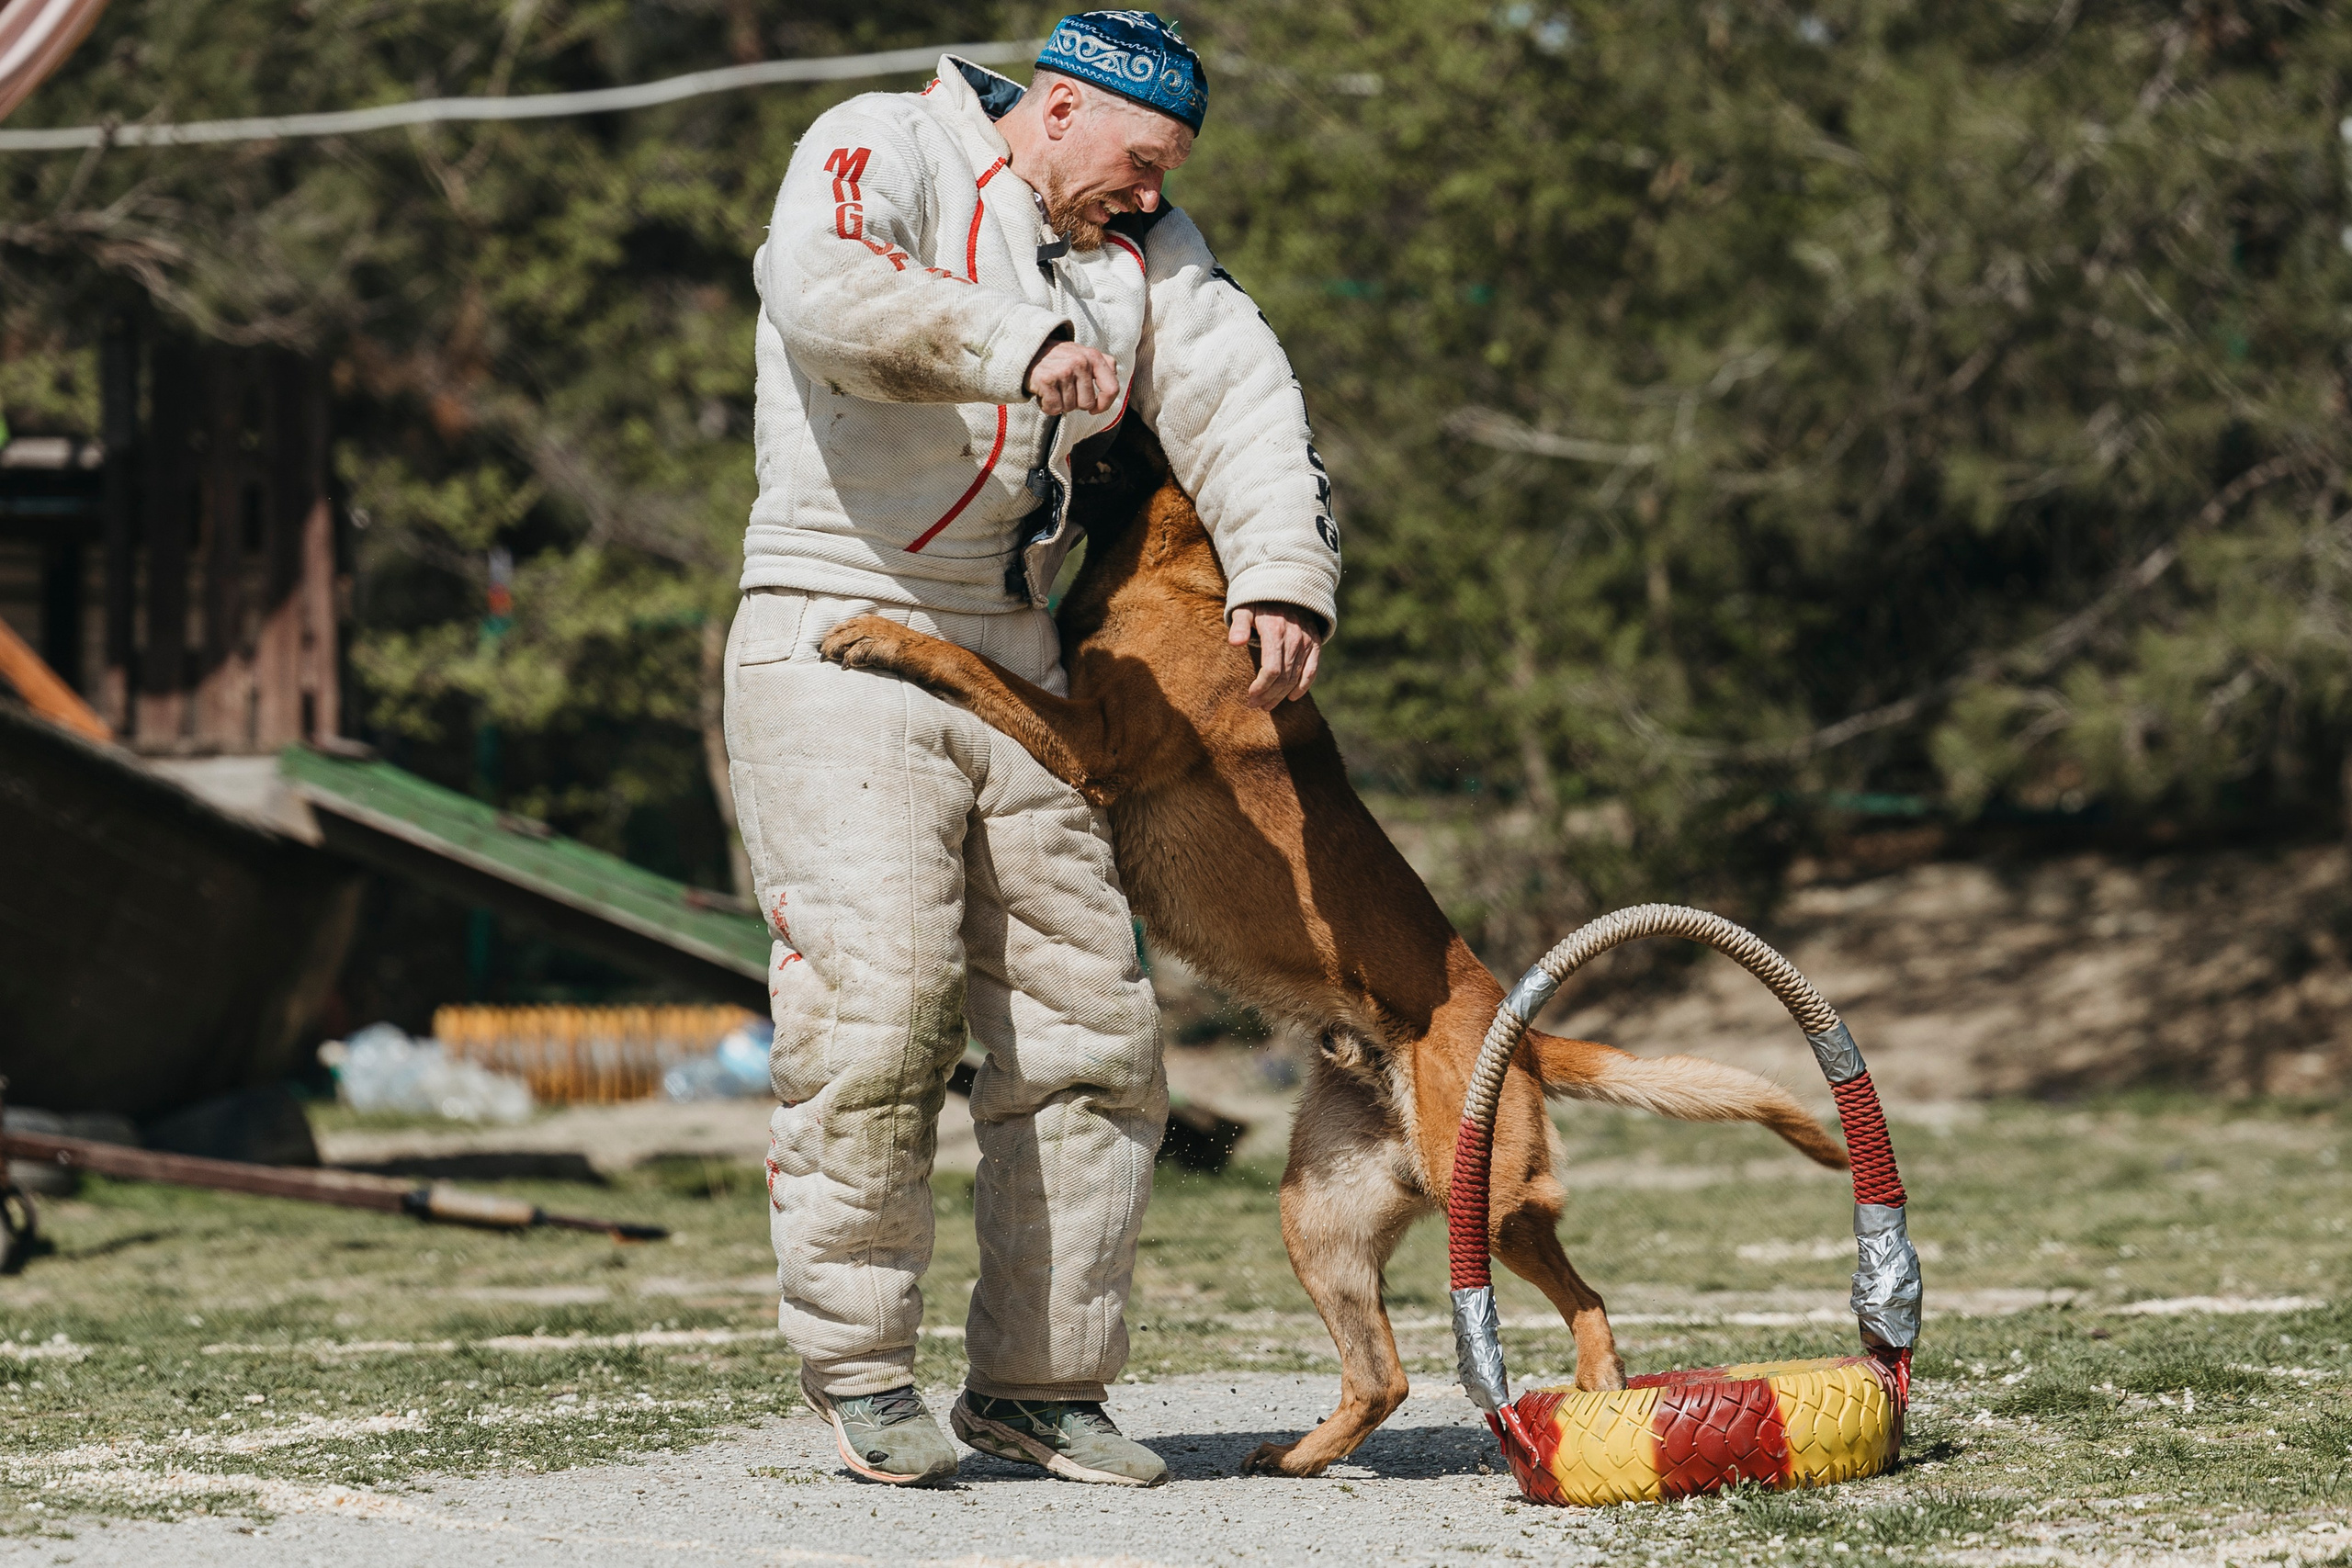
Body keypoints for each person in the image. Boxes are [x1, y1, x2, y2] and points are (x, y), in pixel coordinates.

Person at [725, 11, 1340, 1489]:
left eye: (1171, 168)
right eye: (1143, 157)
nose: (1155, 189)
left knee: (1091, 1033)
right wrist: (1018, 343)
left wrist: (1281, 574)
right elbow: (823, 286)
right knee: (878, 1008)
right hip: (831, 610)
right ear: (1060, 109)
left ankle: (1043, 1387)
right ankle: (861, 1369)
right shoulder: (881, 141)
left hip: (1017, 644)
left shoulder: (1147, 251)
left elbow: (1244, 398)